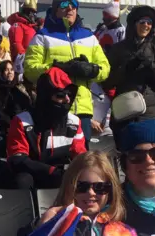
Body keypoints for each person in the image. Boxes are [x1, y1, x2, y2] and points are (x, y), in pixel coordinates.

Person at [24, 0, 110, 145]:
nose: (70, 8)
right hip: (53, 108)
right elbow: (30, 70)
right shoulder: (42, 36)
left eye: (73, 4)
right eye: (64, 4)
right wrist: (58, 68)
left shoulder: (89, 37)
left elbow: (105, 68)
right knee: (53, 155)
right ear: (56, 9)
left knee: (81, 160)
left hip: (82, 109)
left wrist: (91, 70)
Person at [6, 67, 86, 189]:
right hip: (34, 174)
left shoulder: (74, 122)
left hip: (62, 175)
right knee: (22, 180)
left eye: (69, 94)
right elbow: (18, 160)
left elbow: (81, 156)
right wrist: (52, 171)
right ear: (45, 96)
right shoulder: (22, 121)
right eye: (60, 95)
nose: (67, 99)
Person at [102, 5, 155, 149]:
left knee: (151, 150)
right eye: (142, 22)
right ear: (134, 24)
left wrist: (151, 65)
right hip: (125, 107)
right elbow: (106, 82)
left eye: (149, 22)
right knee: (126, 153)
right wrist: (126, 69)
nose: (146, 25)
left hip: (150, 109)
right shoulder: (118, 49)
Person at [36, 151, 136, 236]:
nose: (91, 192)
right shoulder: (53, 223)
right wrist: (41, 231)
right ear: (69, 187)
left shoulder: (123, 233)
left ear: (111, 190)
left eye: (100, 187)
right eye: (82, 186)